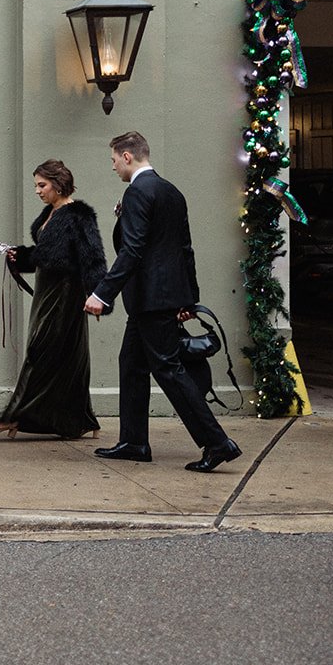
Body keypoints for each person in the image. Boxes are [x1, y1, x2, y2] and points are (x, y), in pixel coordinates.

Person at [84, 131, 242, 472]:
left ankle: (217, 443)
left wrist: (101, 293)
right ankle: (134, 442)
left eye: (113, 160)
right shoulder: (171, 191)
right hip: (161, 297)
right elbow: (184, 248)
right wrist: (189, 298)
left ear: (127, 156)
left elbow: (134, 250)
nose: (113, 167)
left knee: (169, 370)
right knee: (132, 364)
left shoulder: (138, 192)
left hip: (150, 299)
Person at [0, 159, 106, 439]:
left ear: (59, 185)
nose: (37, 191)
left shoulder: (78, 216)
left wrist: (98, 294)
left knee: (40, 351)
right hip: (47, 292)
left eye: (42, 185)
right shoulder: (51, 213)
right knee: (68, 356)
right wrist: (22, 256)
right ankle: (81, 420)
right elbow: (47, 254)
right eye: (36, 185)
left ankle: (12, 417)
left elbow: (92, 256)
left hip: (65, 295)